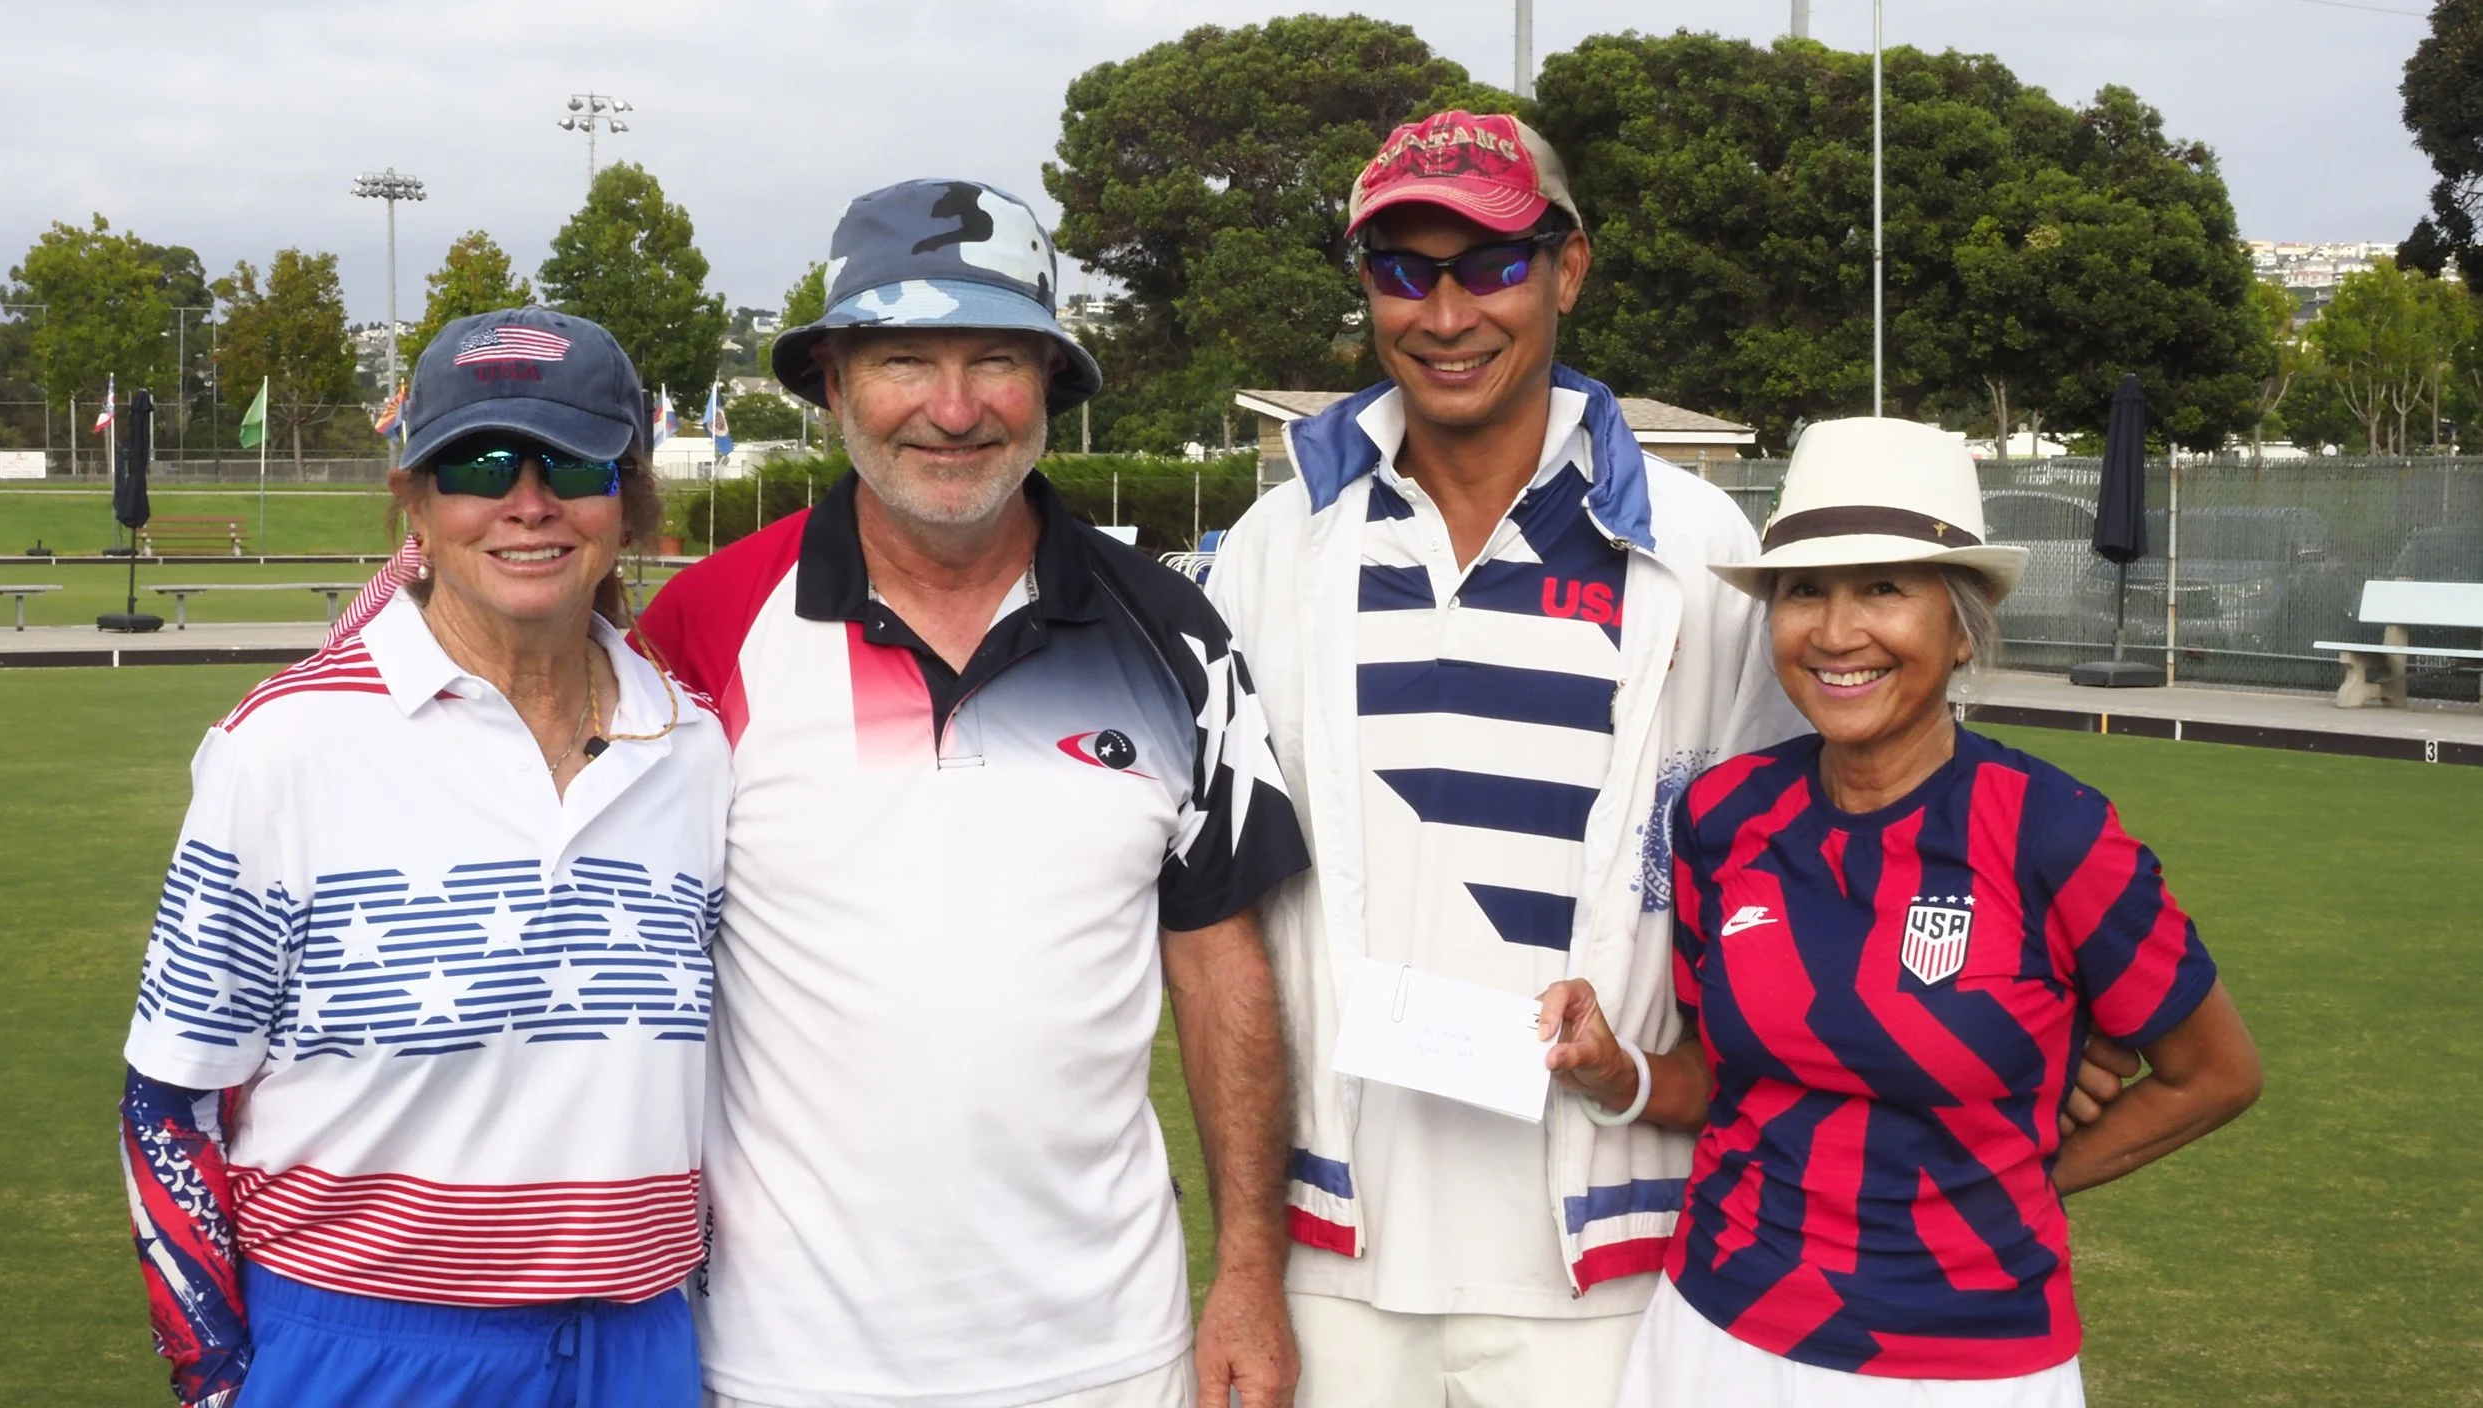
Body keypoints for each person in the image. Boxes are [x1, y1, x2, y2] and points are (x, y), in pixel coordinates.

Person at [638, 180, 1311, 1408]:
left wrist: (1250, 1276)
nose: (952, 410)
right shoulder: (703, 626)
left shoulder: (1172, 634)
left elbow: (1221, 972)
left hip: (1111, 1355)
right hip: (781, 1365)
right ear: (834, 384)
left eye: (996, 358)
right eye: (903, 360)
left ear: (1050, 383)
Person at [1202, 109, 1808, 1406]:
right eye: (1402, 272)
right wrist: (1246, 1256)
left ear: (1568, 268)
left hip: (1612, 1264)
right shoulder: (1275, 546)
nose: (1445, 312)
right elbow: (1213, 914)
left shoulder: (1700, 552)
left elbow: (1812, 865)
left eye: (1490, 265)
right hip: (1336, 1257)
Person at [120, 309, 731, 1408]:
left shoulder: (692, 748)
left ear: (627, 498)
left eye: (576, 463)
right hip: (363, 1346)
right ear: (413, 496)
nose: (527, 501)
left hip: (642, 1346)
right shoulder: (283, 746)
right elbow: (172, 1098)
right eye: (479, 463)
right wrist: (213, 1375)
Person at [1591, 417, 2263, 1406]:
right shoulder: (1722, 815)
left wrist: (2019, 1182)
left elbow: (2213, 1075)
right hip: (1711, 1333)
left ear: (1959, 628)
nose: (1833, 630)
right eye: (1802, 590)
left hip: (1965, 1365)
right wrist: (1621, 1074)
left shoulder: (2057, 832)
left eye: (1882, 588)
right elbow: (1719, 1075)